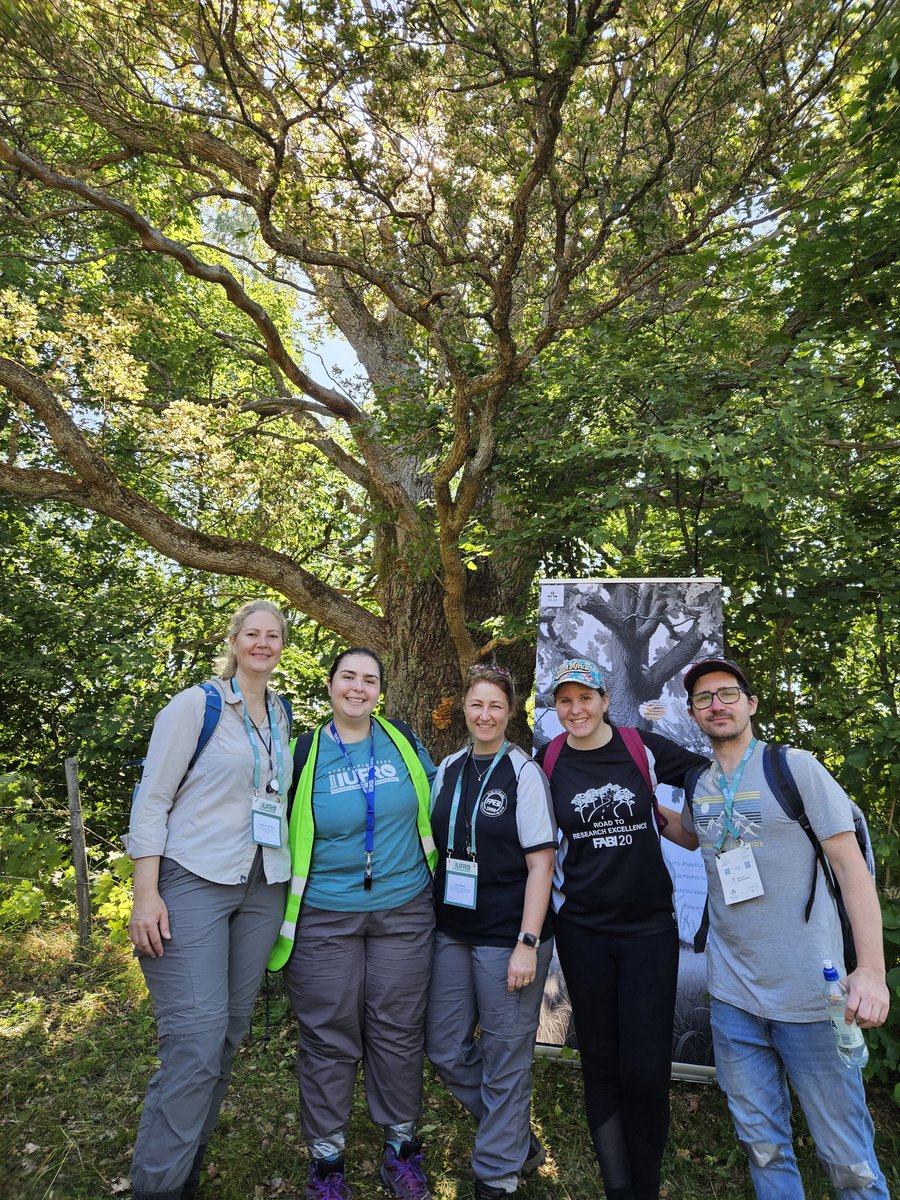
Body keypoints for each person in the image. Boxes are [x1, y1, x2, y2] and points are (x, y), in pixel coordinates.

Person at [681, 657, 890, 1200]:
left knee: (849, 1161)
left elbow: (851, 869)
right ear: (692, 714)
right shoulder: (699, 786)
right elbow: (693, 835)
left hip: (814, 1000)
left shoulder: (794, 768)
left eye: (727, 693)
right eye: (704, 699)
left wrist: (870, 970)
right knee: (764, 1148)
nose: (717, 705)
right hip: (733, 1003)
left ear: (750, 704)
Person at [126, 599, 293, 1200]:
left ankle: (183, 1170)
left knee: (225, 1034)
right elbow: (151, 800)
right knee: (195, 1040)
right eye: (253, 633)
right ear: (235, 640)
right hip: (192, 879)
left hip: (260, 886)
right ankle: (157, 1187)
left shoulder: (281, 712)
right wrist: (146, 893)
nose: (263, 643)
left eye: (273, 635)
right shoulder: (195, 705)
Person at [266, 648, 438, 1200]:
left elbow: (445, 801)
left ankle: (401, 1148)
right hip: (324, 916)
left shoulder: (405, 743)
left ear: (380, 690)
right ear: (331, 685)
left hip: (405, 910)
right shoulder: (304, 752)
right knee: (328, 1034)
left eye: (369, 679)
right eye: (348, 677)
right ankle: (326, 1161)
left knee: (398, 1028)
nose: (358, 688)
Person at [535, 657, 706, 1200]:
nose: (576, 708)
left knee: (647, 1067)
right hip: (582, 931)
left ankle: (646, 1189)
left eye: (586, 697)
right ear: (556, 708)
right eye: (565, 700)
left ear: (606, 700)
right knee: (601, 1063)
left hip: (649, 931)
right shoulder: (547, 761)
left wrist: (696, 824)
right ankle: (617, 1187)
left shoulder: (642, 748)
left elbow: (705, 772)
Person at [426, 665, 556, 1199]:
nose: (485, 715)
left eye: (496, 707)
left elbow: (542, 864)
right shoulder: (449, 768)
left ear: (510, 713)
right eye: (477, 705)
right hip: (452, 930)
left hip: (509, 935)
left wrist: (527, 944)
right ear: (464, 708)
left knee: (505, 1054)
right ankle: (517, 1139)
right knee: (444, 1048)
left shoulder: (524, 774)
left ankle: (497, 1174)